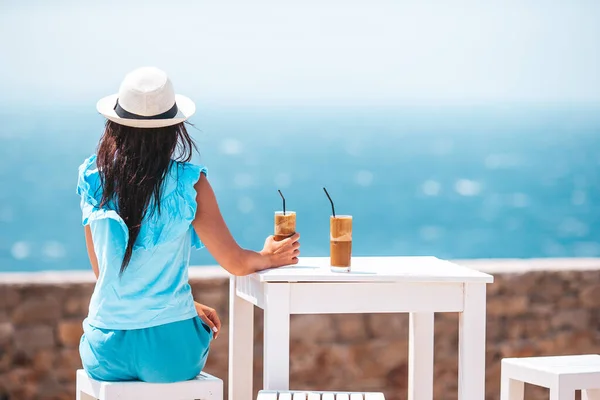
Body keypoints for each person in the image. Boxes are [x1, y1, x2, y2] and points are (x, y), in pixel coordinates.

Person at [77, 67, 300, 383]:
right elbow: (236, 263)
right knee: (195, 336)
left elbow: (105, 272)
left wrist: (186, 304)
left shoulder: (92, 179)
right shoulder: (189, 183)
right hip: (169, 355)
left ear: (115, 125)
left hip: (105, 352)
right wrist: (268, 256)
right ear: (173, 129)